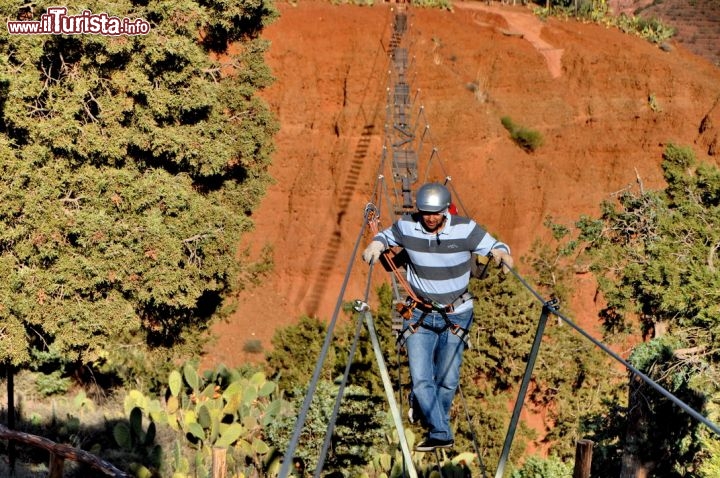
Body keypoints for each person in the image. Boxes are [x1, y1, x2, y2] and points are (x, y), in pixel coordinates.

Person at [361, 182, 513, 452]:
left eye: (435, 212)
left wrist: (501, 255)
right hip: (419, 314)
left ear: (445, 210)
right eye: (425, 212)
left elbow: (494, 245)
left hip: (457, 315)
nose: (430, 218)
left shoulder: (464, 229)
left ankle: (424, 407)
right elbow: (386, 236)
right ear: (419, 210)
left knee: (448, 379)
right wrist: (376, 243)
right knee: (421, 379)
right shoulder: (408, 226)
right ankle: (440, 431)